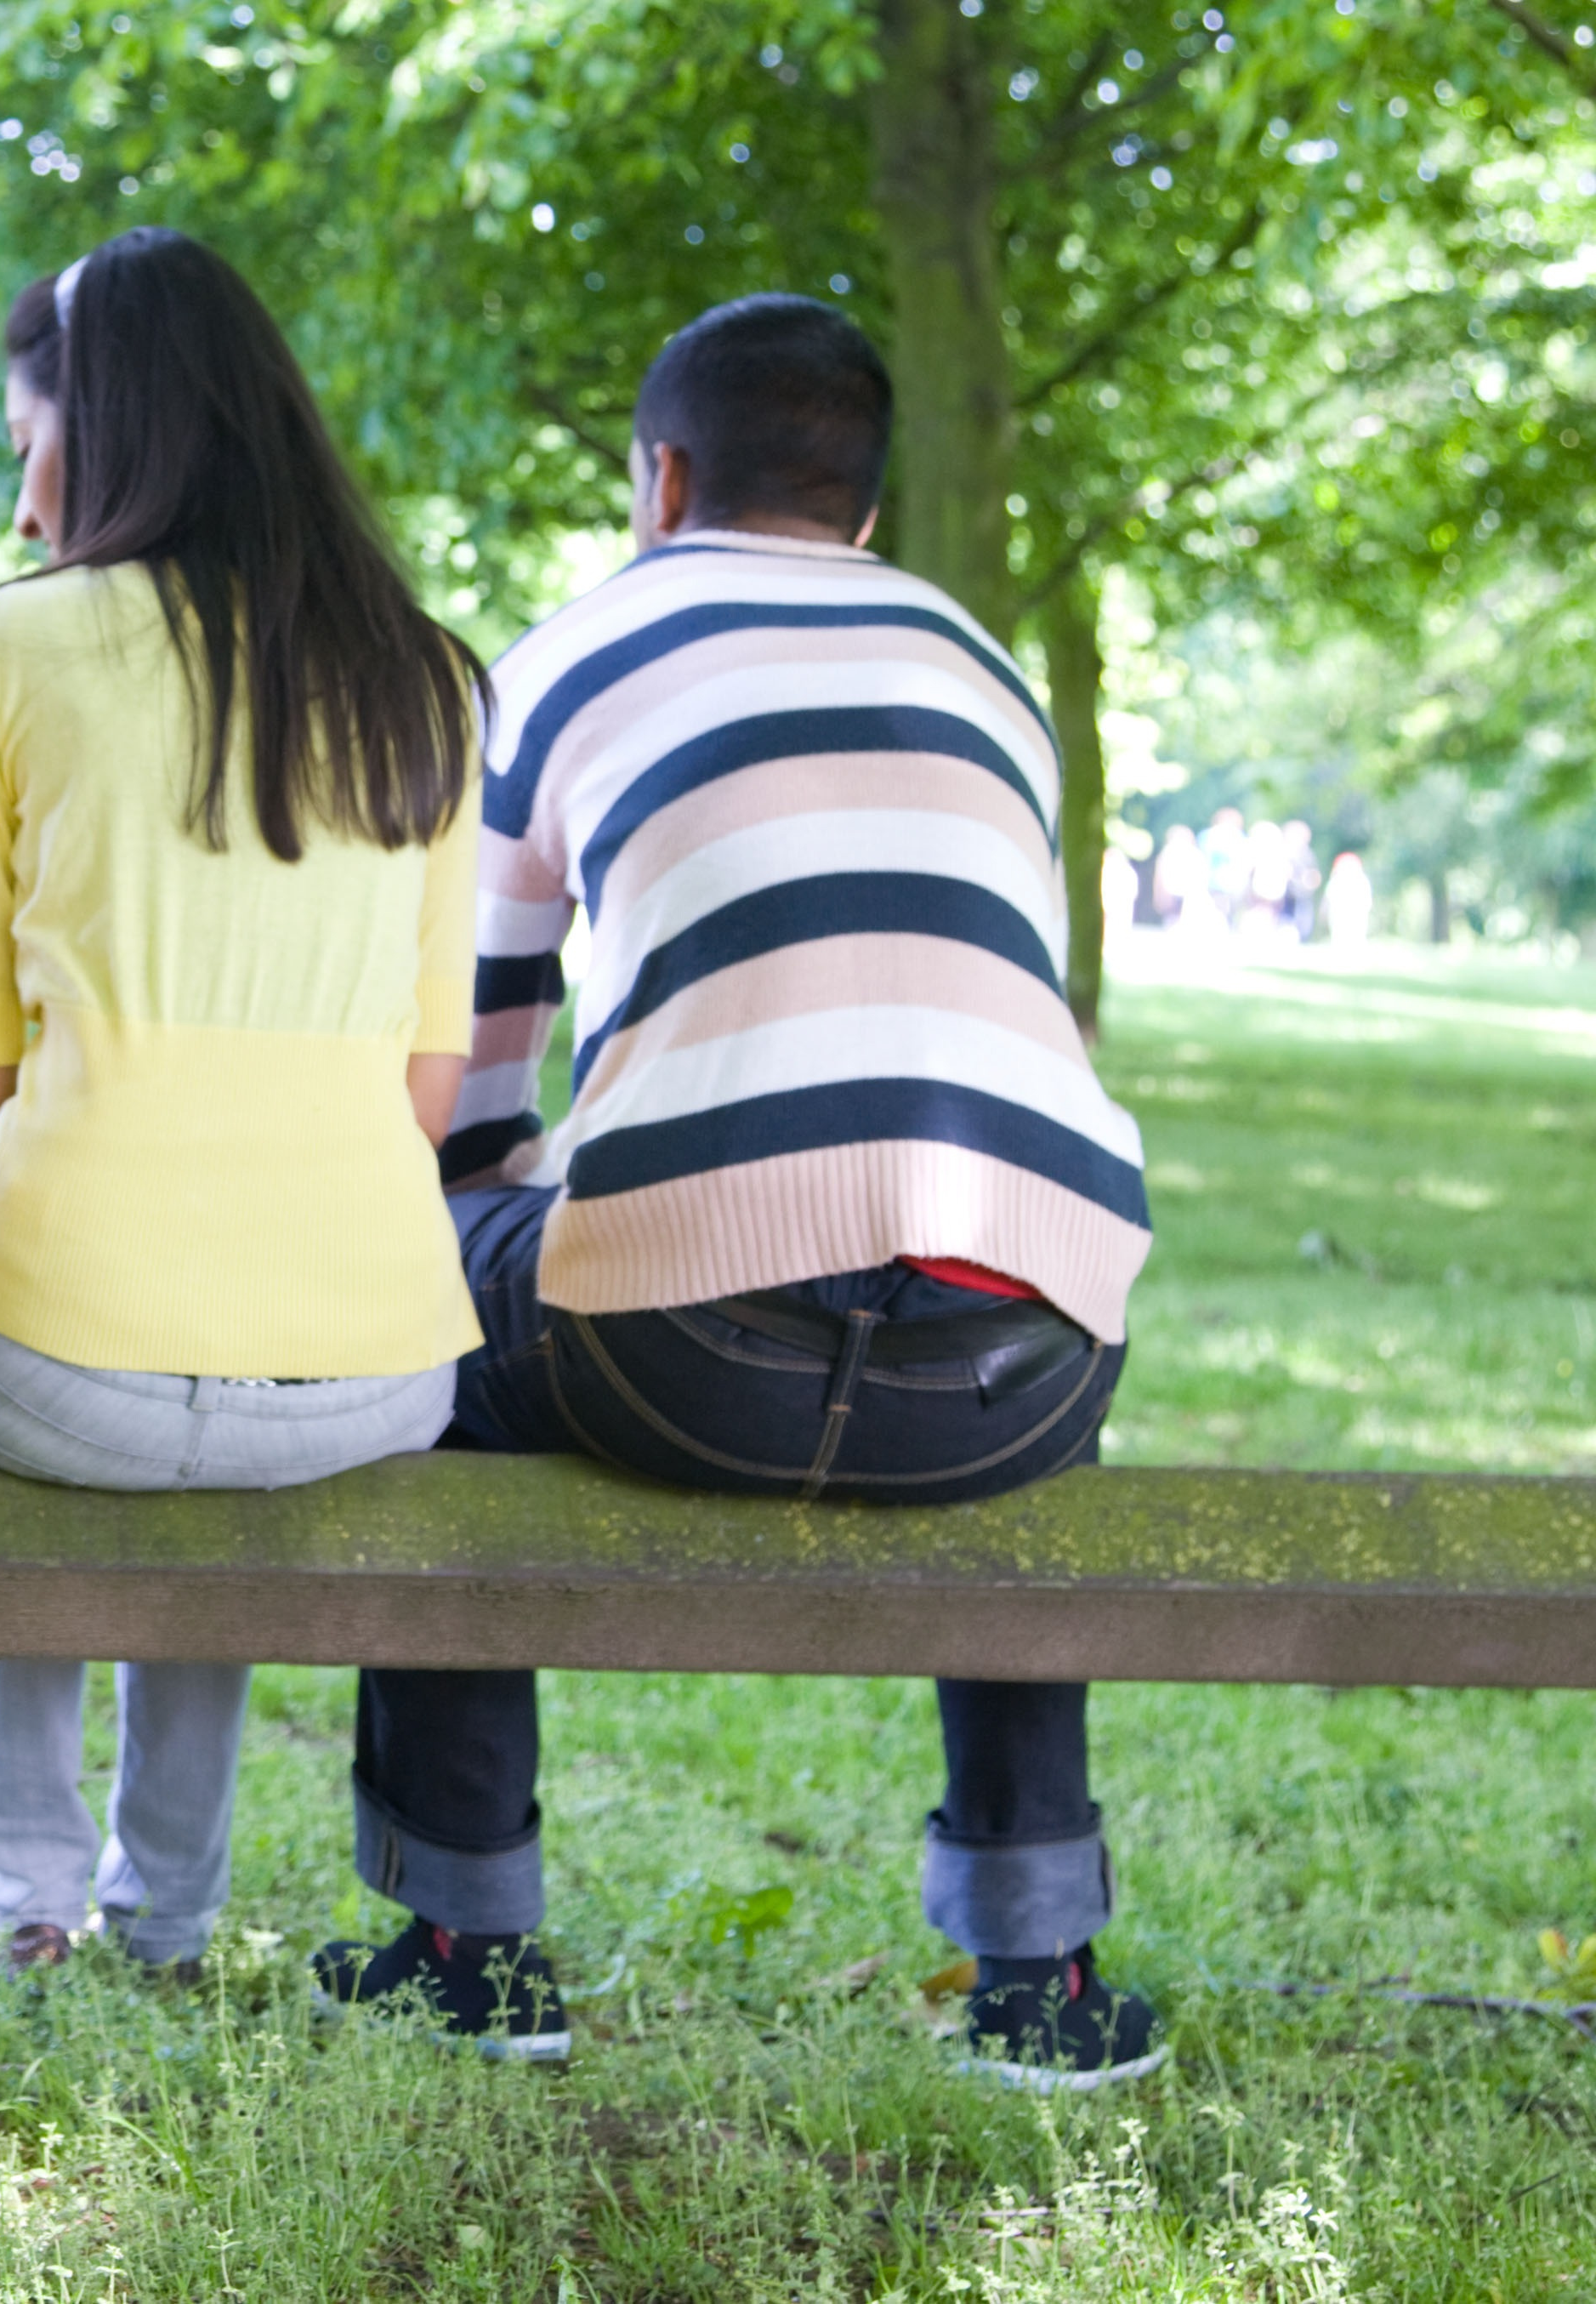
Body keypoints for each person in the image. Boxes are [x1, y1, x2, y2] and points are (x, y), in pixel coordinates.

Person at [317, 294, 1166, 2091]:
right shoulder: (987, 670)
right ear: (862, 500)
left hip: (679, 1350)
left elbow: (467, 1093)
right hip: (1022, 1377)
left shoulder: (563, 659)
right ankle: (1041, 1968)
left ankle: (468, 1939)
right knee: (1016, 1244)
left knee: (418, 1281)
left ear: (661, 475)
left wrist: (551, 1164)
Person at [0, 230, 488, 1986]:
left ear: (107, 427)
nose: (22, 503)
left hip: (55, 1363)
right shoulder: (426, 674)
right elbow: (426, 1091)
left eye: (29, 446)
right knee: (208, 1425)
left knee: (36, 1345)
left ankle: (20, 1899)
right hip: (370, 1370)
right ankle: (171, 1913)